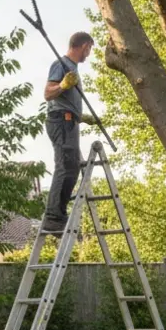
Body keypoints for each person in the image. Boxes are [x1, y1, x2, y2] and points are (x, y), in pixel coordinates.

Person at [40, 31, 95, 236]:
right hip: (60, 121)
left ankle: (59, 215)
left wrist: (82, 116)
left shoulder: (73, 69)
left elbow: (66, 100)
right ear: (82, 46)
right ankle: (53, 218)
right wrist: (62, 85)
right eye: (89, 49)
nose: (88, 54)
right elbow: (48, 93)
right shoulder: (60, 64)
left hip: (70, 121)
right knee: (64, 166)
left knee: (72, 168)